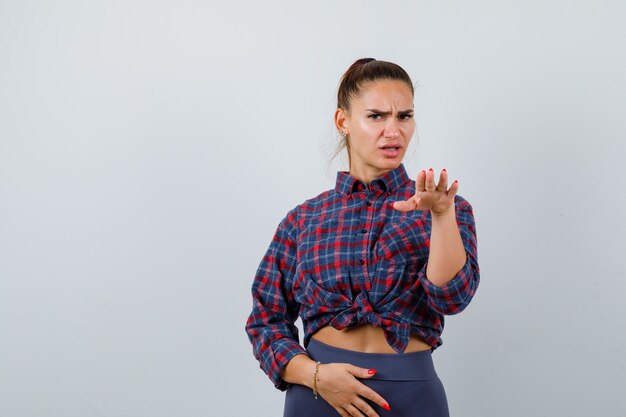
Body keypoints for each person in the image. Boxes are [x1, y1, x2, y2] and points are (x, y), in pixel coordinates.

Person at [245, 58, 480, 417]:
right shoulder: (304, 219)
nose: (394, 130)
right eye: (376, 116)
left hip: (413, 397)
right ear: (344, 122)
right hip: (318, 397)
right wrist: (315, 375)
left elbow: (452, 299)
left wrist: (442, 215)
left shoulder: (446, 206)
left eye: (404, 116)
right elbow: (265, 320)